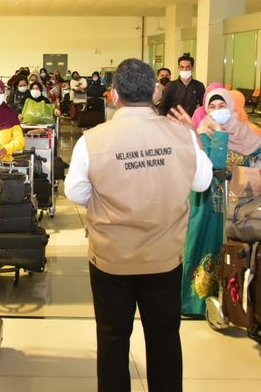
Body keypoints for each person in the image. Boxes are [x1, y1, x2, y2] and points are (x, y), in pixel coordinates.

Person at [64, 58, 212, 392]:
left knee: (113, 339)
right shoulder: (181, 135)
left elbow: (75, 191)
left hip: (111, 259)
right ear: (156, 92)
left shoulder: (93, 140)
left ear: (114, 95)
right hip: (163, 259)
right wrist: (194, 138)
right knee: (164, 337)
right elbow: (202, 182)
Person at [177, 88, 261, 317]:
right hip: (210, 203)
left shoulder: (244, 133)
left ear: (231, 108)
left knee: (237, 249)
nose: (216, 111)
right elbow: (215, 166)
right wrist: (220, 134)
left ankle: (235, 300)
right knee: (204, 247)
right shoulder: (202, 135)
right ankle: (196, 303)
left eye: (221, 106)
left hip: (240, 203)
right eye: (211, 107)